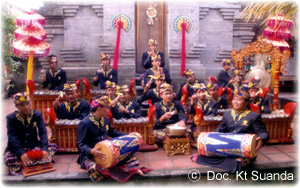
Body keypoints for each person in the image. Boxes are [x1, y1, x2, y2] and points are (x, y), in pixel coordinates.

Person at [191, 90, 269, 173]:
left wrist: (262, 139)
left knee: (237, 162)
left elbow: (263, 133)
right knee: (209, 154)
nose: (235, 102)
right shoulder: (227, 113)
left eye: (239, 100)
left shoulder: (254, 116)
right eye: (234, 99)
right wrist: (209, 135)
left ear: (246, 103)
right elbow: (221, 129)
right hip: (229, 146)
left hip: (245, 149)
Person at [77, 96, 148, 182]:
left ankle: (122, 170)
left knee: (133, 159)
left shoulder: (106, 120)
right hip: (91, 155)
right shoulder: (84, 123)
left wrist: (129, 136)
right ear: (99, 109)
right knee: (95, 168)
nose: (108, 110)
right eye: (106, 108)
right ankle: (128, 171)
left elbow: (113, 133)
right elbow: (80, 145)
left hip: (107, 151)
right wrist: (91, 151)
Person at [3, 92, 57, 175]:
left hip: (34, 146)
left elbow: (42, 133)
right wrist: (21, 153)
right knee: (9, 158)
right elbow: (12, 137)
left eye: (27, 103)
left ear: (30, 102)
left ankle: (28, 162)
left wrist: (44, 149)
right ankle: (31, 161)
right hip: (19, 148)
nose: (26, 107)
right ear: (17, 106)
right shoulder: (11, 118)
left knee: (53, 146)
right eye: (22, 105)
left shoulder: (37, 114)